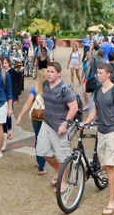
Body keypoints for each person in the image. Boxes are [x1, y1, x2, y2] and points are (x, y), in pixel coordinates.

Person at [82, 62, 114, 215]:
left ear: (109, 74)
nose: (97, 75)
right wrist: (85, 123)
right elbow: (94, 110)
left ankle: (111, 202)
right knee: (106, 166)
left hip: (113, 132)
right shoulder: (97, 90)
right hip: (101, 131)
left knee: (109, 165)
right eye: (97, 73)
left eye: (101, 73)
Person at [38, 62, 78, 192]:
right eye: (48, 71)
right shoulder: (45, 84)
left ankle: (63, 182)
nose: (49, 74)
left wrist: (65, 124)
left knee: (62, 156)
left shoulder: (65, 88)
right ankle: (59, 172)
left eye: (52, 72)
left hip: (61, 126)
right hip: (47, 123)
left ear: (58, 73)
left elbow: (74, 108)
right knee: (43, 152)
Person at [15, 79, 48, 175]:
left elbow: (28, 103)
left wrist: (20, 116)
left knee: (38, 138)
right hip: (47, 117)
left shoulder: (34, 89)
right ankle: (41, 166)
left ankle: (38, 160)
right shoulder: (51, 89)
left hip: (36, 117)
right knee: (44, 140)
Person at [2, 57, 21, 139]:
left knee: (8, 113)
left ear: (9, 63)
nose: (4, 65)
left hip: (10, 94)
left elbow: (15, 85)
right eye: (3, 63)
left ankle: (9, 129)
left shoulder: (12, 72)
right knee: (3, 113)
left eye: (6, 63)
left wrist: (15, 97)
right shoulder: (1, 72)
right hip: (2, 94)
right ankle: (4, 131)